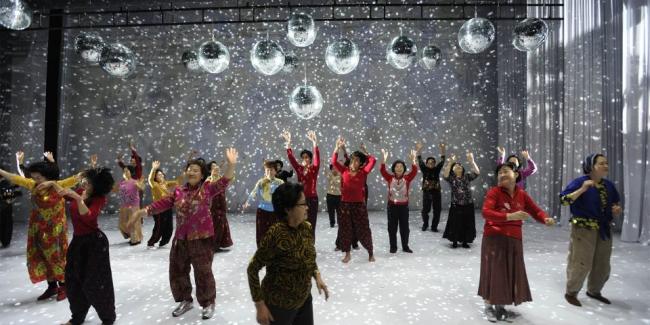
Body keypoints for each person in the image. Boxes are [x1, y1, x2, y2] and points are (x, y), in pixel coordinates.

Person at [131, 148, 237, 320]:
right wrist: (143, 211)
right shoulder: (179, 191)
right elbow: (164, 203)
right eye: (189, 169)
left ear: (202, 174)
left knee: (203, 272)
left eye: (195, 170)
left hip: (202, 238)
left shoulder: (207, 188)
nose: (191, 172)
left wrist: (231, 165)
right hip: (180, 239)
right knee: (177, 270)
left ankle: (208, 302)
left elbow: (224, 181)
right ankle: (185, 300)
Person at [478, 162, 556, 321]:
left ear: (516, 175)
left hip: (514, 239)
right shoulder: (494, 192)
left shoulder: (522, 194)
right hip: (494, 238)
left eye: (506, 171)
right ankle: (488, 306)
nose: (502, 174)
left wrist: (545, 218)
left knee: (507, 273)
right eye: (499, 173)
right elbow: (486, 212)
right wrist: (509, 216)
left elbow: (535, 210)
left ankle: (500, 305)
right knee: (493, 272)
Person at [43, 163, 118, 325]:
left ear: (96, 185)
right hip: (78, 243)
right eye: (84, 180)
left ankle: (108, 318)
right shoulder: (79, 192)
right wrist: (51, 183)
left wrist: (78, 199)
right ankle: (77, 317)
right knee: (73, 280)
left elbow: (89, 217)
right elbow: (63, 192)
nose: (84, 183)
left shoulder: (98, 198)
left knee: (97, 282)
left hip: (95, 243)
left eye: (88, 182)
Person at [247, 182, 329, 325]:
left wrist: (317, 276)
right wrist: (259, 305)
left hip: (304, 299)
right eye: (303, 204)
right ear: (287, 209)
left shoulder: (307, 228)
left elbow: (308, 256)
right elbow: (252, 268)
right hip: (278, 305)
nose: (307, 207)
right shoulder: (276, 234)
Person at [0, 156, 80, 301]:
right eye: (34, 177)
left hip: (55, 229)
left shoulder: (59, 185)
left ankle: (64, 285)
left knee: (56, 256)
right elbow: (15, 178)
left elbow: (77, 178)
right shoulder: (33, 185)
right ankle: (52, 286)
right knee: (41, 255)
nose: (36, 180)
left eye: (39, 178)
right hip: (38, 228)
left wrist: (92, 169)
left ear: (48, 177)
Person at [560, 153, 622, 307]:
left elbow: (614, 202)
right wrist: (582, 189)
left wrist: (616, 209)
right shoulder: (580, 182)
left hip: (604, 228)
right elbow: (564, 200)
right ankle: (571, 292)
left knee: (602, 264)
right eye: (601, 163)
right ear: (591, 166)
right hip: (583, 229)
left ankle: (594, 291)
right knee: (581, 262)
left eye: (606, 163)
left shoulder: (608, 185)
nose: (605, 166)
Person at [331, 137, 376, 263]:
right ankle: (347, 253)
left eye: (357, 161)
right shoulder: (344, 171)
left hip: (359, 205)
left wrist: (366, 151)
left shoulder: (363, 172)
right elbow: (334, 161)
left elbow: (373, 161)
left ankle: (370, 252)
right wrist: (336, 147)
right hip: (345, 205)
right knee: (345, 230)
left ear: (361, 163)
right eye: (352, 160)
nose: (354, 162)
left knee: (364, 229)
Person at [281, 130, 321, 238]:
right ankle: (300, 244)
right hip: (300, 199)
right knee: (300, 222)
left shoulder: (314, 169)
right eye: (303, 157)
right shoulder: (299, 169)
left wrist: (314, 143)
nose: (305, 159)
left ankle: (310, 244)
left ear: (310, 159)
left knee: (311, 222)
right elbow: (291, 158)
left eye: (307, 157)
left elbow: (317, 158)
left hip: (312, 199)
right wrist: (288, 143)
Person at [379, 148, 418, 253]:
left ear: (404, 169)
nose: (399, 168)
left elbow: (415, 171)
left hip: (404, 207)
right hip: (392, 206)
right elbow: (382, 170)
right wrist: (384, 159)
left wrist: (413, 160)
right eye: (397, 166)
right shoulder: (390, 178)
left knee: (405, 228)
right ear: (394, 169)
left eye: (401, 166)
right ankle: (393, 247)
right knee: (392, 228)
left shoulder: (407, 178)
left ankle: (405, 246)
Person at [442, 152, 480, 248]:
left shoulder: (467, 176)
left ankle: (465, 241)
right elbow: (445, 175)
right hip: (456, 204)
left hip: (468, 204)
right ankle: (454, 240)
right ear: (452, 170)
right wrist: (450, 163)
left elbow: (477, 172)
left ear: (463, 169)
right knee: (455, 223)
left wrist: (472, 162)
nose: (458, 166)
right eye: (456, 166)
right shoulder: (451, 178)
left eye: (460, 166)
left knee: (467, 223)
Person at [244, 160, 285, 246]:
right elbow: (254, 192)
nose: (269, 172)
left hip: (276, 211)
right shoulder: (261, 182)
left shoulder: (280, 182)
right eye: (267, 170)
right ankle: (262, 251)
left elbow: (285, 195)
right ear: (265, 171)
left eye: (271, 170)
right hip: (262, 210)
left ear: (275, 171)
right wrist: (248, 202)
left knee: (276, 232)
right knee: (262, 232)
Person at [147, 160, 181, 248]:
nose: (161, 175)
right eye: (158, 174)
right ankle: (151, 243)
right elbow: (150, 179)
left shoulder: (165, 183)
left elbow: (178, 181)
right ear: (155, 177)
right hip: (158, 209)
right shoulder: (154, 184)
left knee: (169, 227)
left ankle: (163, 242)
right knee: (159, 227)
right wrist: (153, 169)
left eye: (161, 174)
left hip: (167, 208)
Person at [415, 142, 446, 232]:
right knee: (425, 210)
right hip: (427, 193)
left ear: (434, 164)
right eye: (429, 163)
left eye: (432, 163)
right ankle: (425, 224)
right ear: (427, 163)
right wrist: (418, 149)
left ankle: (434, 226)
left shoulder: (437, 169)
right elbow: (419, 159)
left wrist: (443, 149)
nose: (431, 164)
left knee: (437, 210)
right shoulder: (424, 169)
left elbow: (443, 160)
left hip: (436, 192)